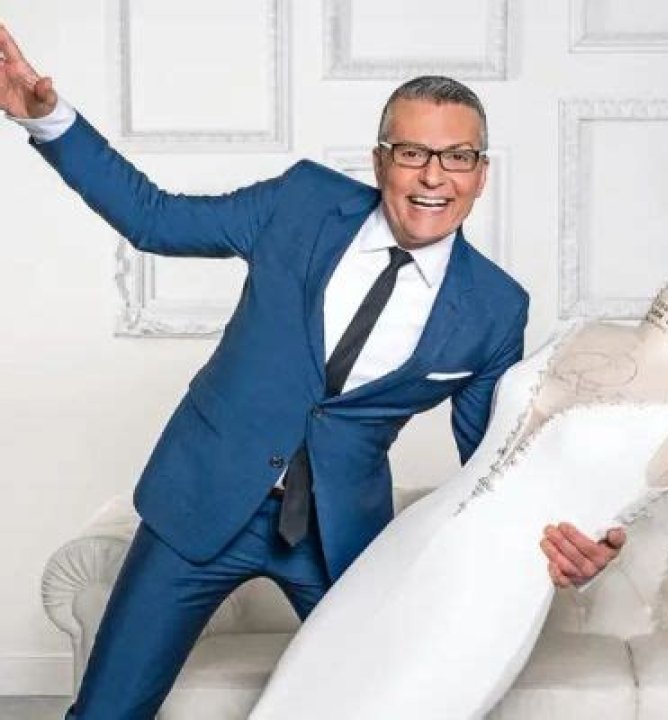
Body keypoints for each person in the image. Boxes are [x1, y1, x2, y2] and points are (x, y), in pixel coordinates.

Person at [0, 24, 624, 720]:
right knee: (107, 712)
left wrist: (576, 530)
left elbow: (491, 462)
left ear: (481, 173)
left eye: (457, 157)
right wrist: (46, 119)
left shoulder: (494, 308)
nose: (433, 176)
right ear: (381, 160)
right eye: (413, 152)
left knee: (385, 706)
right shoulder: (300, 203)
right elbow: (156, 219)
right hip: (203, 501)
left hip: (338, 538)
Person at [248, 270, 668, 719]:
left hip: (491, 586)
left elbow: (606, 522)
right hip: (401, 545)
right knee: (296, 695)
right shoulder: (581, 330)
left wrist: (595, 552)